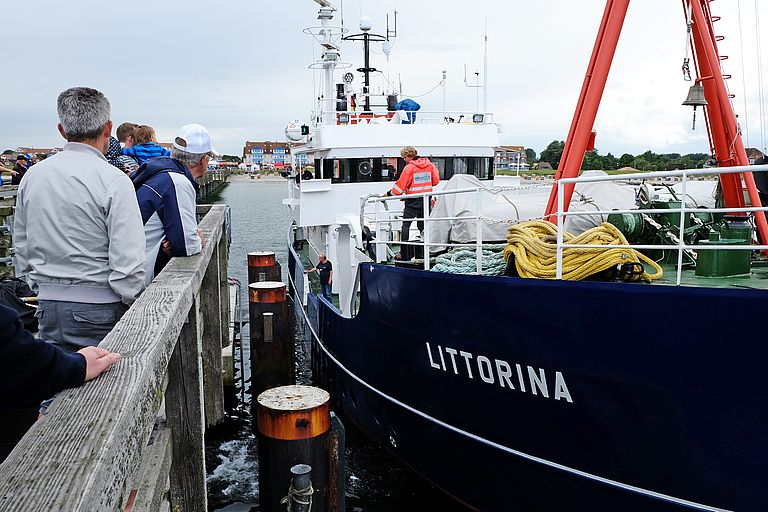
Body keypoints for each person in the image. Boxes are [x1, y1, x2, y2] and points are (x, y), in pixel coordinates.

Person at [13, 87, 146, 353]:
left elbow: (22, 244)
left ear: (62, 130)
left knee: (58, 376)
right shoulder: (114, 180)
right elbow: (128, 261)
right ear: (108, 128)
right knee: (111, 378)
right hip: (102, 306)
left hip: (48, 304)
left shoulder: (33, 176)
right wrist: (136, 303)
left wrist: (41, 287)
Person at [0, 304, 121, 412]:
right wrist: (76, 366)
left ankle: (45, 416)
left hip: (47, 305)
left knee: (50, 400)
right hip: (98, 307)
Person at [132, 124, 213, 284]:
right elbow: (187, 245)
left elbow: (179, 241)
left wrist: (177, 241)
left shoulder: (160, 172)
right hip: (137, 280)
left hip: (125, 266)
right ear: (203, 160)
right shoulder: (177, 183)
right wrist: (198, 239)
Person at [386, 146, 440, 259]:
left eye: (404, 158)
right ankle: (426, 250)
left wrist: (389, 194)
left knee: (406, 225)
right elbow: (435, 181)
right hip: (426, 200)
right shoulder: (430, 165)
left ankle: (404, 253)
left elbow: (400, 187)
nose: (404, 160)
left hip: (412, 201)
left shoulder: (409, 168)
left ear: (408, 156)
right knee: (423, 226)